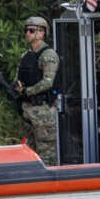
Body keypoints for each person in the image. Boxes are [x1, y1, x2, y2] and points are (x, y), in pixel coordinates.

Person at [14, 15, 60, 165]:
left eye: (32, 30)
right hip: (27, 110)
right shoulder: (26, 56)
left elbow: (48, 82)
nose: (27, 33)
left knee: (47, 153)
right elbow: (19, 77)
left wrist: (27, 91)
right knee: (27, 152)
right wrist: (18, 87)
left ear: (42, 33)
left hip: (43, 111)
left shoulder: (48, 55)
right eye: (26, 30)